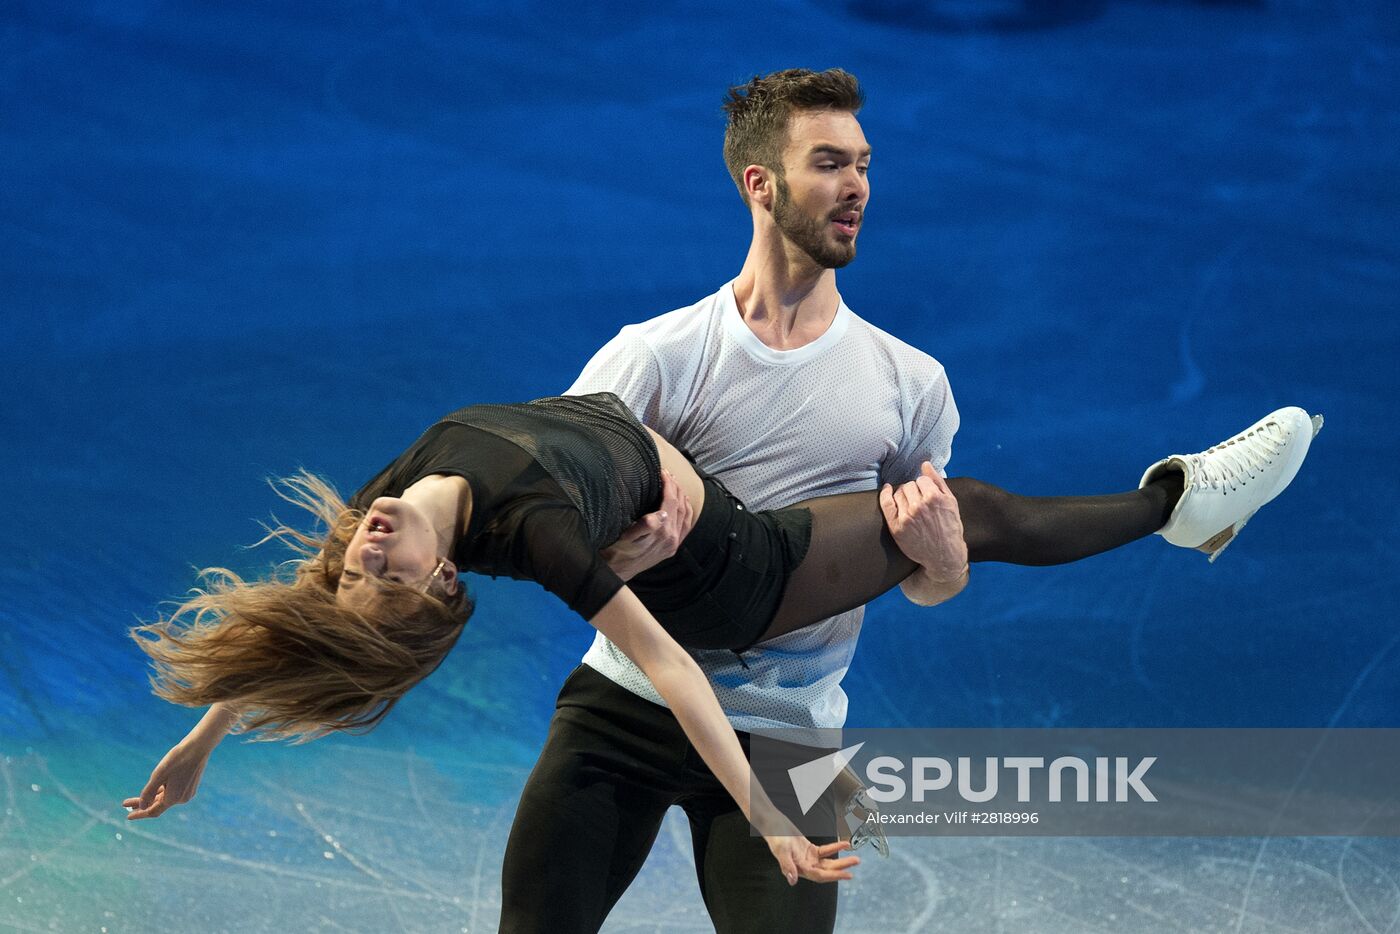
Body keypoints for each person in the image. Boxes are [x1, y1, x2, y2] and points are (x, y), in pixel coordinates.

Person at [496, 68, 1323, 933]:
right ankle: (1179, 503)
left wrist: (944, 558)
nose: (856, 186)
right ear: (760, 183)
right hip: (626, 707)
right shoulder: (654, 357)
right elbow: (553, 503)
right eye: (828, 163)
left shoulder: (907, 383)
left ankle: (1181, 502)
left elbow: (925, 584)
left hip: (788, 739)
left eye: (863, 164)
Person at [123, 389, 982, 885]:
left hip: (787, 696)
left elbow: (308, 613)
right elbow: (670, 665)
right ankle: (1132, 507)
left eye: (357, 568)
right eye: (381, 574)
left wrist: (204, 735)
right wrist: (770, 815)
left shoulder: (371, 520)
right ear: (442, 578)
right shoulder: (638, 375)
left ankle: (1132, 507)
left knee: (972, 521)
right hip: (660, 682)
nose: (366, 550)